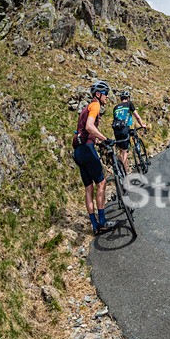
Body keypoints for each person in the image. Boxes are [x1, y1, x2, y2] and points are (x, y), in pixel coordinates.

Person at [72, 80, 117, 235]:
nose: (107, 97)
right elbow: (89, 126)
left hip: (78, 151)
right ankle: (102, 222)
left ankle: (94, 225)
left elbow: (85, 132)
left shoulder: (85, 109)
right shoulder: (95, 105)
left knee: (88, 188)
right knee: (101, 183)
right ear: (98, 94)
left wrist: (98, 141)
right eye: (105, 94)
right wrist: (105, 139)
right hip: (87, 149)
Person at [111, 90, 146, 174]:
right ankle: (125, 173)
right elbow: (137, 117)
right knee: (125, 152)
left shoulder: (115, 107)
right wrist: (142, 125)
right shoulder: (129, 104)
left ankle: (121, 170)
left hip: (116, 131)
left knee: (121, 151)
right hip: (125, 129)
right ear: (128, 98)